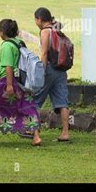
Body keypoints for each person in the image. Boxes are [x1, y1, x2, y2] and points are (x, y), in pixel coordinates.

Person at [0, 19, 41, 146]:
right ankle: (36, 136)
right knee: (25, 106)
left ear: (2, 32)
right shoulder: (19, 42)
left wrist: (9, 85)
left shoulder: (7, 45)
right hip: (21, 81)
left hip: (6, 81)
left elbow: (8, 66)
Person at [33, 8, 70, 142]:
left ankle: (35, 133)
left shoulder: (45, 31)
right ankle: (65, 133)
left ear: (39, 19)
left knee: (35, 100)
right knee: (62, 102)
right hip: (61, 69)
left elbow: (44, 53)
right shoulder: (57, 29)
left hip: (49, 68)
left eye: (35, 20)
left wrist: (41, 72)